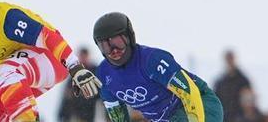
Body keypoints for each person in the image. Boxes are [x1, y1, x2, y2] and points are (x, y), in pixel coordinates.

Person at [90, 12, 223, 122]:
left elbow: (189, 93)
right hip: (164, 118)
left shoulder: (152, 60)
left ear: (129, 37)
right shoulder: (104, 74)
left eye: (117, 42)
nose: (114, 50)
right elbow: (118, 116)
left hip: (200, 103)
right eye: (106, 46)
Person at [58, 47, 101, 122]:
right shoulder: (74, 73)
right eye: (81, 56)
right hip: (76, 114)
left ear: (88, 57)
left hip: (92, 112)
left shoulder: (95, 71)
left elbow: (100, 92)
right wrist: (62, 114)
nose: (83, 59)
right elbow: (67, 95)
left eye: (84, 56)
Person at [213, 50, 251, 122]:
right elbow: (215, 98)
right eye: (228, 59)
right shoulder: (220, 81)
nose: (229, 61)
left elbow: (248, 100)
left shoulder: (243, 80)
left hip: (239, 117)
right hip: (224, 116)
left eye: (231, 58)